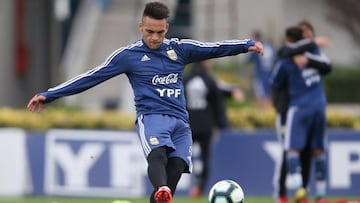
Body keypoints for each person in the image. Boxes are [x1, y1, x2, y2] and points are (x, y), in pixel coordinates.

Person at [26, 2, 264, 203]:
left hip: (181, 122)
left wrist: (245, 45)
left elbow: (213, 49)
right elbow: (91, 77)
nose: (154, 37)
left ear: (166, 28)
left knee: (178, 166)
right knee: (158, 155)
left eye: (159, 32)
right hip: (152, 118)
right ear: (141, 27)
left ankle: (162, 191)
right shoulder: (128, 56)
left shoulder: (179, 50)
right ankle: (161, 189)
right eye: (149, 31)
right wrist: (50, 94)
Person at [270, 26, 331, 203]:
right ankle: (316, 194)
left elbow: (274, 82)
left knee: (293, 150)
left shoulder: (287, 61)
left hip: (298, 109)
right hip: (317, 107)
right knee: (316, 150)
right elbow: (328, 66)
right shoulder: (311, 52)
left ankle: (300, 191)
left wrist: (307, 59)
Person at [184, 60, 244, 198]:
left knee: (187, 156)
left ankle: (194, 181)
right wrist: (221, 123)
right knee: (205, 157)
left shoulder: (185, 79)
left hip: (188, 124)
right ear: (204, 62)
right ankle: (199, 186)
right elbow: (218, 99)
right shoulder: (209, 79)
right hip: (205, 125)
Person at [247, 30, 277, 109]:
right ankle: (269, 115)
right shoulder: (270, 47)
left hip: (260, 77)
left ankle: (263, 117)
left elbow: (248, 59)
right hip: (271, 76)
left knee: (261, 98)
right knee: (270, 97)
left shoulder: (256, 47)